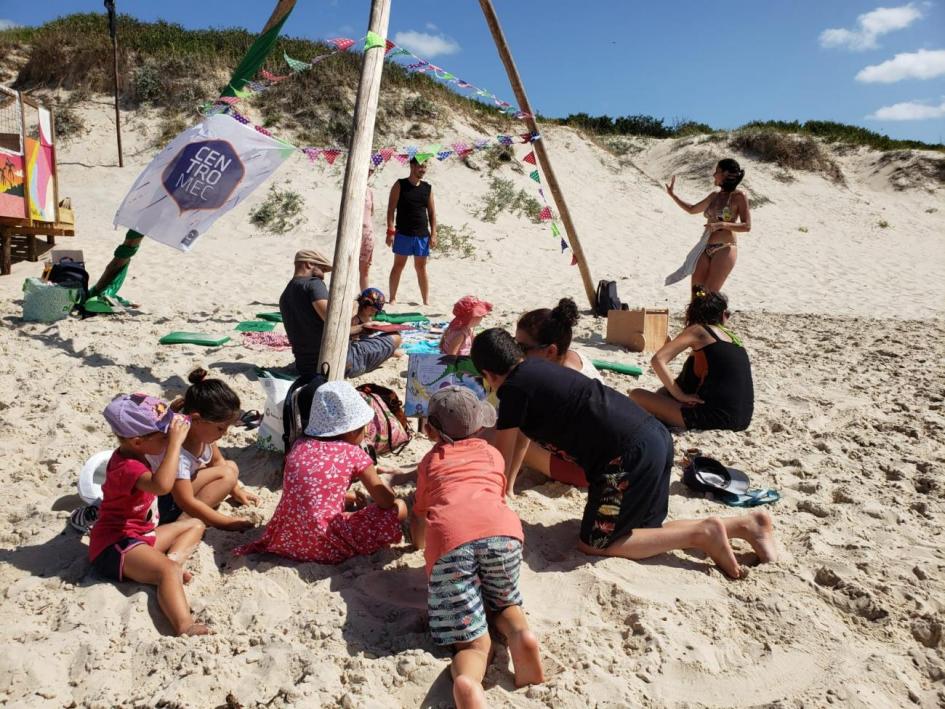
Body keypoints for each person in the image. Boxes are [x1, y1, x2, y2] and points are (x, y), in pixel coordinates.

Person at [470, 328, 777, 579]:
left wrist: (489, 499)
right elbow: (523, 434)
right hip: (654, 437)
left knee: (596, 544)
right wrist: (508, 488)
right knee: (644, 532)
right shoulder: (537, 369)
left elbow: (502, 449)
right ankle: (744, 526)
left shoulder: (512, 390)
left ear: (488, 373)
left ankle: (703, 533)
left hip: (623, 460)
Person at [412, 387, 544, 707]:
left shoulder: (430, 463)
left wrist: (418, 544)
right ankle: (520, 635)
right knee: (503, 602)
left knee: (473, 643)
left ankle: (470, 681)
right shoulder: (492, 454)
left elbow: (421, 518)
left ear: (431, 429)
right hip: (503, 535)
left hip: (453, 542)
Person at [234, 381, 406, 563]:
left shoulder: (299, 446)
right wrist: (388, 485)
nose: (365, 431)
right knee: (400, 507)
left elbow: (308, 492)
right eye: (363, 427)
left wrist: (346, 496)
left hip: (286, 539)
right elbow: (386, 502)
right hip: (325, 545)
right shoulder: (353, 453)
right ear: (351, 429)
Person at [90, 393, 210, 636]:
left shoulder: (138, 452)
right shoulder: (128, 467)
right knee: (165, 572)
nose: (168, 439)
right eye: (163, 436)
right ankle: (183, 624)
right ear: (137, 441)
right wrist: (175, 444)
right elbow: (162, 486)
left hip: (141, 536)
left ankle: (173, 564)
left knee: (195, 524)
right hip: (114, 546)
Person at [147, 369, 258, 531]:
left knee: (230, 467)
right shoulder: (178, 447)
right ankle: (183, 522)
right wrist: (225, 523)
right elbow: (185, 500)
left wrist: (235, 490)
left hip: (178, 490)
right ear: (197, 419)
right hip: (162, 503)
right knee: (226, 474)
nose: (224, 433)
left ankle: (195, 514)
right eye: (220, 428)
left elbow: (217, 461)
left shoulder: (200, 432)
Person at [630, 289, 753, 431]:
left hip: (713, 419)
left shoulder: (698, 331)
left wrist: (680, 395)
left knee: (637, 395)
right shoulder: (733, 341)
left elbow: (658, 359)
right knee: (664, 393)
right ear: (722, 315)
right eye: (728, 314)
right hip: (743, 421)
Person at [514, 297, 599, 487]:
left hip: (584, 472)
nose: (517, 354)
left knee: (506, 431)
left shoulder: (554, 384)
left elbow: (522, 436)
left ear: (550, 351)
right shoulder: (576, 357)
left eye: (522, 348)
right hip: (601, 460)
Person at [665, 158, 751, 293]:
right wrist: (673, 195)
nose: (714, 175)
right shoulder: (714, 196)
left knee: (710, 294)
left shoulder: (739, 196)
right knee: (697, 293)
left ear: (725, 174)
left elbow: (746, 226)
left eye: (717, 171)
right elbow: (692, 209)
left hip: (725, 248)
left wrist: (722, 224)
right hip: (705, 248)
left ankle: (717, 314)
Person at [387, 158, 437, 305]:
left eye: (425, 166)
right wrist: (390, 232)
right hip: (403, 232)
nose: (423, 169)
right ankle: (392, 298)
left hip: (422, 234)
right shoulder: (400, 184)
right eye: (420, 166)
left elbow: (432, 213)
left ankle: (426, 300)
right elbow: (391, 210)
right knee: (398, 266)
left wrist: (434, 233)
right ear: (412, 166)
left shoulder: (427, 188)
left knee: (421, 267)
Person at [280, 248, 334, 379]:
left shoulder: (286, 293)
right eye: (322, 268)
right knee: (391, 339)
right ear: (309, 264)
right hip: (327, 362)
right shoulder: (313, 285)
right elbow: (333, 321)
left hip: (303, 365)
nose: (323, 275)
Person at [347, 287, 402, 378]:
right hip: (357, 346)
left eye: (376, 311)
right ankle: (388, 354)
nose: (373, 313)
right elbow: (352, 337)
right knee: (393, 348)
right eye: (372, 310)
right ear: (364, 304)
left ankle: (388, 353)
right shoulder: (355, 318)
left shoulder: (368, 316)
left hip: (364, 343)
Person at [359, 169, 376, 292]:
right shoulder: (352, 189)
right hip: (353, 234)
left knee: (365, 269)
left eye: (370, 171)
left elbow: (371, 212)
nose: (369, 173)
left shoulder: (369, 191)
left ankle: (364, 296)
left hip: (367, 233)